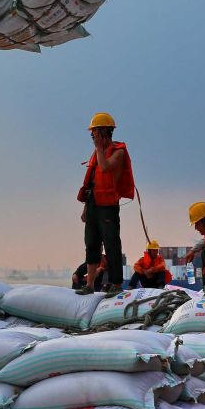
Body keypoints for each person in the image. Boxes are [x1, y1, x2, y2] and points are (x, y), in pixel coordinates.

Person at [75, 112, 135, 297]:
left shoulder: (119, 151)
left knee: (111, 243)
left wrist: (99, 149)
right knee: (91, 244)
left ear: (103, 132)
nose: (92, 136)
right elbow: (93, 180)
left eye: (94, 132)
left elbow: (106, 167)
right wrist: (86, 207)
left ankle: (116, 283)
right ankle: (90, 284)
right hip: (94, 204)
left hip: (108, 205)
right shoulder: (97, 153)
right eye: (91, 133)